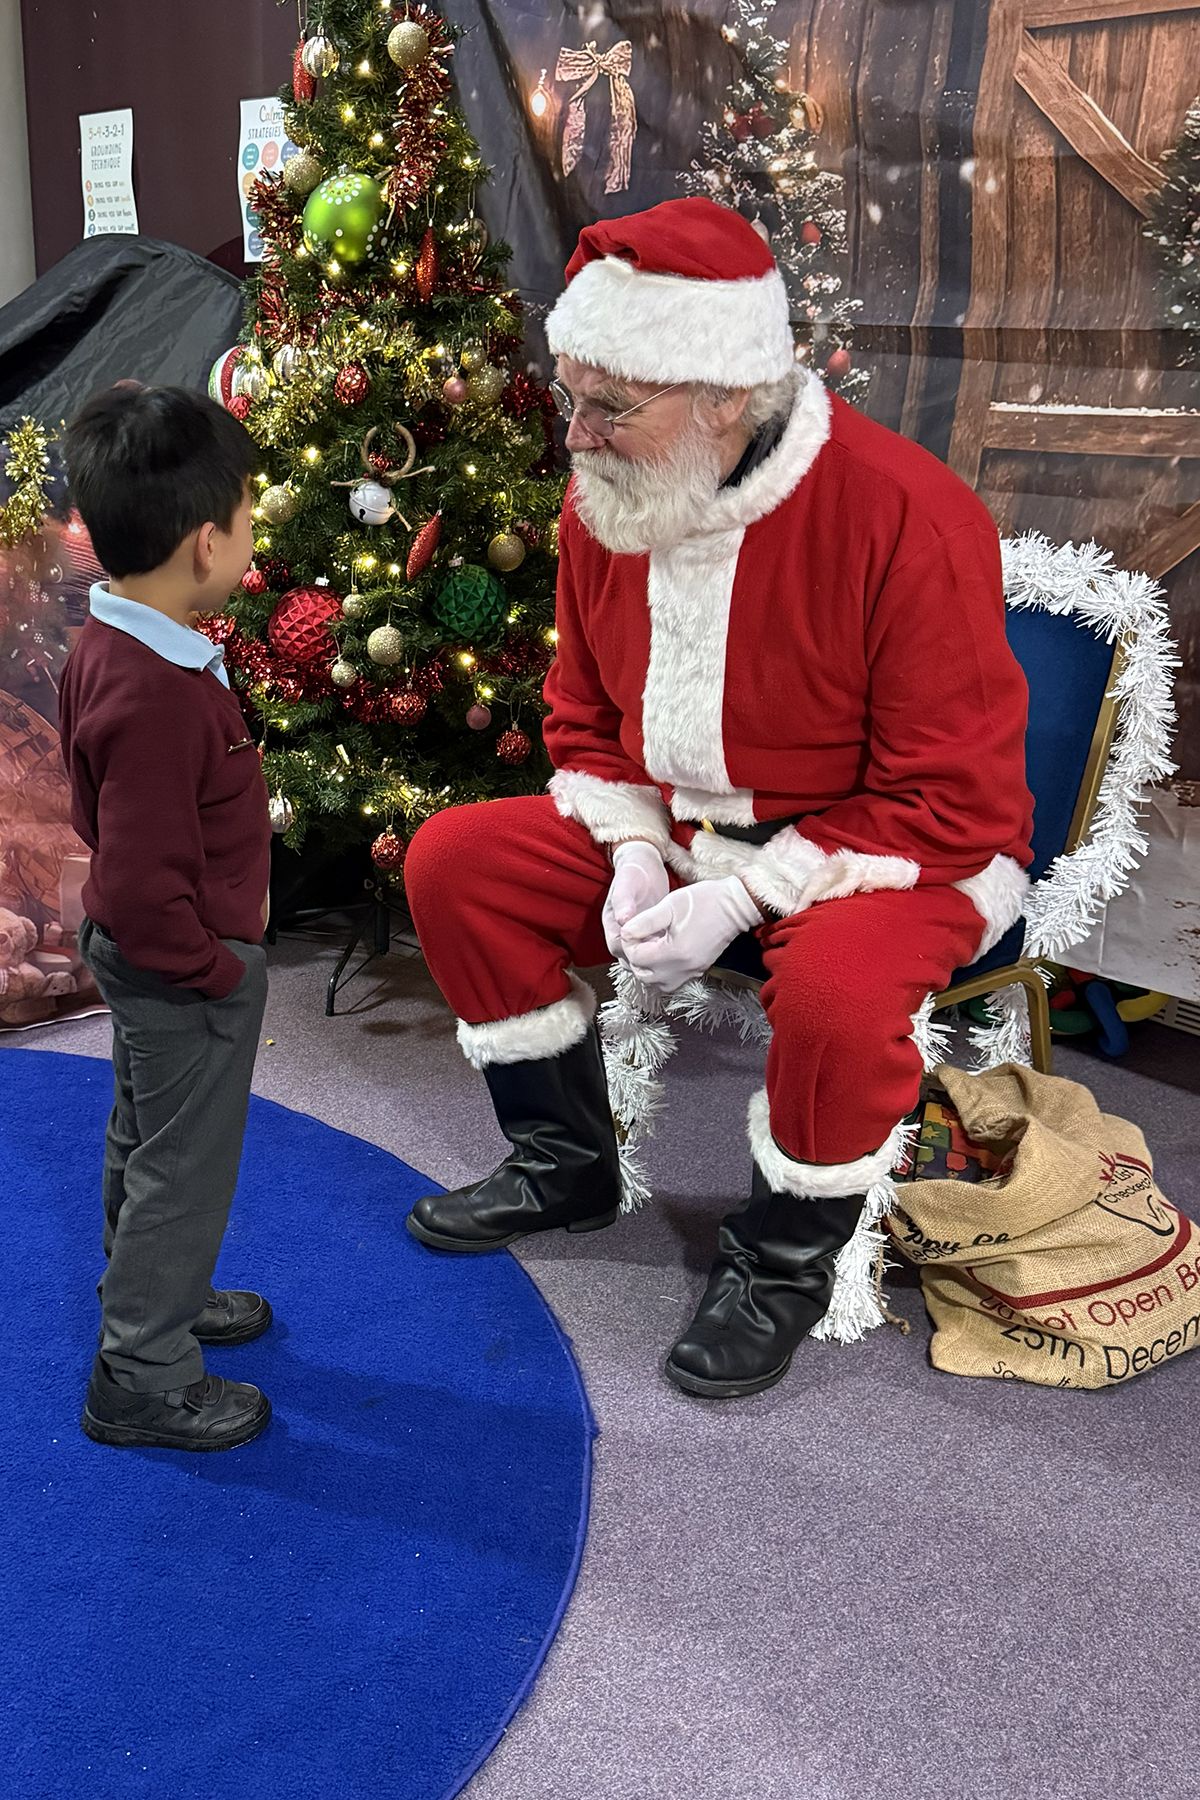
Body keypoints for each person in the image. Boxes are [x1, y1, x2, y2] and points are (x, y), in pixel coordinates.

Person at [403, 197, 1033, 1400]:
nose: (577, 435)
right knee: (456, 863)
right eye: (571, 395)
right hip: (687, 831)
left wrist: (745, 898)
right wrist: (636, 848)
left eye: (612, 405)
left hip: (889, 851)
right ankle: (564, 1164)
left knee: (839, 996)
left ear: (728, 393)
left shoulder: (906, 513)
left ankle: (781, 1268)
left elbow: (953, 796)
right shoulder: (609, 499)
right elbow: (584, 715)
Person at [58, 384, 273, 1450]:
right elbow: (146, 882)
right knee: (184, 1168)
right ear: (205, 544)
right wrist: (217, 971)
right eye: (247, 517)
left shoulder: (115, 640)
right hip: (183, 969)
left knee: (145, 1137)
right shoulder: (158, 691)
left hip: (148, 956)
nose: (252, 534)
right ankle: (141, 1372)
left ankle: (149, 1293)